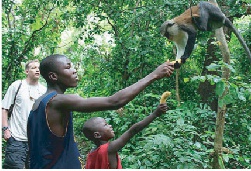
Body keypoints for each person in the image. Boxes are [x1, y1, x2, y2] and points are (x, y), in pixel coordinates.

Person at [27, 54, 174, 169]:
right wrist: (154, 74)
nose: (74, 70)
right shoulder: (58, 101)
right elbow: (115, 101)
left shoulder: (37, 105)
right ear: (53, 76)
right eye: (68, 67)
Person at [83, 103, 168, 169]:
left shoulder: (92, 152)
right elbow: (133, 131)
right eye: (105, 125)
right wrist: (155, 114)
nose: (110, 126)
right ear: (97, 135)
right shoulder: (109, 148)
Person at [2, 59, 46, 169]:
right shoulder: (17, 86)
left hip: (36, 142)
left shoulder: (44, 90)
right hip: (16, 139)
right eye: (33, 68)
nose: (37, 70)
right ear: (27, 71)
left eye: (38, 68)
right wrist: (5, 130)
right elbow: (4, 108)